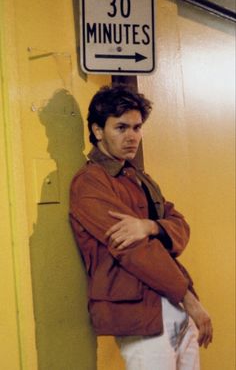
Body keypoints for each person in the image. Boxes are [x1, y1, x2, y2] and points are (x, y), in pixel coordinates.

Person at [69, 85, 213, 370]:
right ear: (98, 131)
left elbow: (180, 228)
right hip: (140, 315)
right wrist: (190, 299)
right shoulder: (89, 183)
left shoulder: (136, 176)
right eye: (120, 128)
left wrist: (149, 225)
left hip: (175, 308)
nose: (131, 136)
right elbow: (134, 251)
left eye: (136, 127)